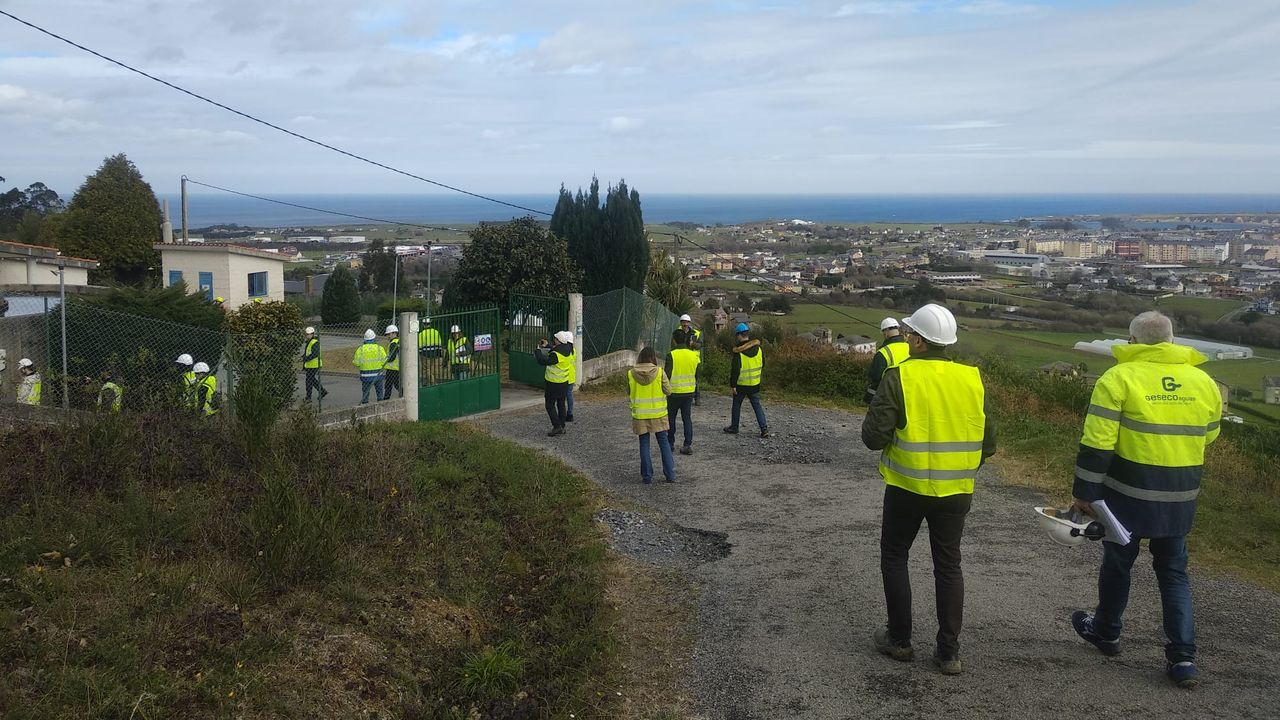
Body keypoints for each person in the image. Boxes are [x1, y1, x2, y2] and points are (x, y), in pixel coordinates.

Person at [1068, 311, 1221, 689]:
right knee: (1173, 573)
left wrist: (1085, 492)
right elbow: (1210, 436)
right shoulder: (1203, 381)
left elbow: (1098, 443)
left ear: (1133, 341)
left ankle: (1106, 631)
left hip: (1128, 493)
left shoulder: (1118, 377)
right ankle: (1183, 658)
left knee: (1119, 562)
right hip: (1181, 493)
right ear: (1172, 340)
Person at [861, 303, 996, 676]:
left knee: (895, 555)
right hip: (957, 491)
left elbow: (873, 438)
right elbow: (989, 443)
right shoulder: (972, 378)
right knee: (948, 565)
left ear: (918, 340)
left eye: (909, 334)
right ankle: (948, 652)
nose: (906, 337)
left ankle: (899, 641)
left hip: (907, 485)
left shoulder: (898, 376)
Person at [629, 346, 675, 484]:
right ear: (653, 358)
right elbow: (668, 391)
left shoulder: (631, 373)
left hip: (640, 415)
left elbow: (629, 391)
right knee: (663, 442)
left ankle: (647, 476)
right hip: (658, 413)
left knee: (644, 444)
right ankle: (670, 475)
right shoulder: (660, 372)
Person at [724, 323, 770, 438]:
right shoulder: (759, 349)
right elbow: (763, 363)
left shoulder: (738, 352)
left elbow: (735, 370)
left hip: (741, 385)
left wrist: (733, 385)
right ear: (747, 334)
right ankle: (764, 429)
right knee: (757, 406)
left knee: (736, 405)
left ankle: (734, 427)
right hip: (754, 384)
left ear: (739, 335)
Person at [665, 330, 701, 455]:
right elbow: (697, 375)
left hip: (674, 392)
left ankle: (670, 444)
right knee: (687, 418)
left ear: (674, 340)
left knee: (671, 418)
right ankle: (687, 445)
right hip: (689, 392)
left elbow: (667, 375)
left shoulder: (671, 355)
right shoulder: (694, 356)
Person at [536, 330, 575, 436]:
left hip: (553, 383)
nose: (554, 340)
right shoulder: (569, 351)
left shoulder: (556, 354)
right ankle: (562, 426)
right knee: (561, 404)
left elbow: (543, 361)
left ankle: (556, 426)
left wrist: (538, 350)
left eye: (555, 339)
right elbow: (556, 350)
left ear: (558, 341)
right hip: (564, 382)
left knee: (549, 405)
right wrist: (547, 345)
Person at [865, 317, 911, 403]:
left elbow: (875, 377)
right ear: (898, 329)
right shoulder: (910, 348)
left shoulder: (883, 352)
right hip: (909, 393)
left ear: (886, 333)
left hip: (889, 397)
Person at [674, 314, 704, 406]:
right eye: (683, 322)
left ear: (689, 323)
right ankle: (685, 396)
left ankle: (697, 397)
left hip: (693, 359)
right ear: (681, 323)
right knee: (682, 377)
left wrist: (693, 344)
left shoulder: (695, 333)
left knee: (695, 378)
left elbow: (700, 345)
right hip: (680, 358)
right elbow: (673, 344)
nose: (685, 324)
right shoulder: (676, 333)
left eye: (686, 322)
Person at [353, 329, 387, 404]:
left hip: (365, 376)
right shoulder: (379, 348)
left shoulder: (360, 349)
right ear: (374, 338)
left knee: (365, 393)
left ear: (365, 339)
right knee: (380, 393)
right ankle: (380, 406)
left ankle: (365, 406)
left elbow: (356, 363)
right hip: (378, 375)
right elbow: (385, 361)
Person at [302, 327, 327, 402]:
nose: (306, 336)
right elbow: (308, 353)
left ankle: (309, 397)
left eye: (308, 334)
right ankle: (322, 391)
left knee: (309, 381)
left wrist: (305, 358)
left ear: (312, 334)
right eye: (306, 334)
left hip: (314, 365)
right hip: (311, 365)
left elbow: (315, 354)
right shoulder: (310, 342)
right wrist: (303, 357)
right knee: (311, 380)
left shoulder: (314, 342)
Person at [418, 317, 442, 384]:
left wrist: (420, 353)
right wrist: (439, 353)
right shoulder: (436, 332)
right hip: (435, 353)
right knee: (432, 369)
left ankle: (432, 382)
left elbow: (420, 346)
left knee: (426, 369)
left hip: (425, 354)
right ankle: (429, 382)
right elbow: (439, 343)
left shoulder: (421, 334)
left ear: (423, 324)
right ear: (430, 323)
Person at [382, 324, 402, 400]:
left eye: (389, 334)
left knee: (389, 385)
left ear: (394, 333)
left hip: (392, 368)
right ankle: (403, 395)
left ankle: (386, 399)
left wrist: (385, 360)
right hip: (397, 367)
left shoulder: (393, 343)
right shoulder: (399, 341)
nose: (387, 336)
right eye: (387, 334)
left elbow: (391, 357)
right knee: (397, 385)